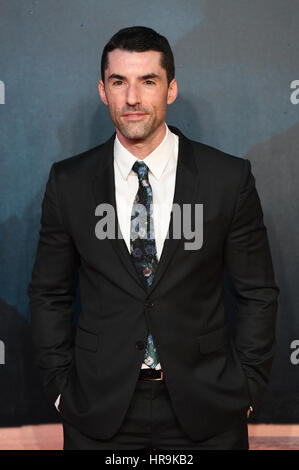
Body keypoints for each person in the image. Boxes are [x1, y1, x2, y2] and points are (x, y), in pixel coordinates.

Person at [28, 26, 279, 450]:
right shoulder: (68, 182)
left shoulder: (227, 179)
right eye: (118, 82)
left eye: (148, 81)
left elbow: (257, 292)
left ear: (171, 89)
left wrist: (247, 389)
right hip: (99, 410)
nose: (132, 98)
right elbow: (49, 292)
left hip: (208, 410)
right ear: (103, 91)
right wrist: (60, 389)